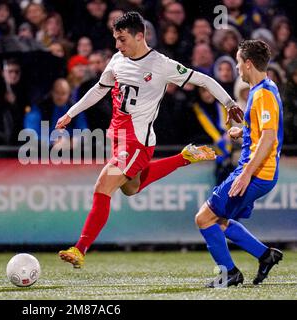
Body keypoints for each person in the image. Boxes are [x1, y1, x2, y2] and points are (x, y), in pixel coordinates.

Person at [56, 12, 243, 268]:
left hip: (137, 142)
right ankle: (184, 157)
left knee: (103, 186)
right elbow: (100, 88)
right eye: (116, 40)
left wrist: (229, 103)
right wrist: (70, 112)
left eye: (122, 39)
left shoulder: (160, 64)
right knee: (130, 188)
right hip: (119, 137)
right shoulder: (117, 60)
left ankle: (80, 249)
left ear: (140, 36)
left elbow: (204, 79)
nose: (117, 45)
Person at [195, 40, 284, 288]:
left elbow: (268, 137)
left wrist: (245, 174)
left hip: (255, 173)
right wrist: (242, 131)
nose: (236, 68)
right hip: (259, 172)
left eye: (237, 62)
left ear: (248, 63)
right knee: (219, 221)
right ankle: (266, 256)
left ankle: (230, 274)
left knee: (204, 219)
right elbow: (261, 131)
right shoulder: (266, 88)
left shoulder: (263, 93)